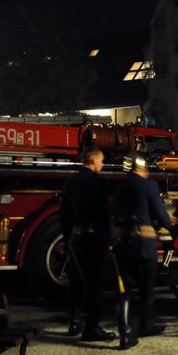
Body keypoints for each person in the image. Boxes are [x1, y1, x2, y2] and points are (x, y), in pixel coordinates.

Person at [110, 153, 176, 349]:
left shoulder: (120, 189)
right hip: (144, 245)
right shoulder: (149, 186)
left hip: (124, 244)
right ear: (141, 168)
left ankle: (125, 333)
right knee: (147, 289)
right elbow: (159, 213)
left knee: (126, 290)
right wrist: (172, 226)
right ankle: (147, 324)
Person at [59, 146, 115, 341]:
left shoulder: (69, 183)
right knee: (94, 283)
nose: (102, 164)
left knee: (75, 281)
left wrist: (66, 237)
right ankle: (92, 327)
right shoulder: (98, 183)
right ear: (93, 161)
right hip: (94, 238)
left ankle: (74, 322)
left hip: (76, 237)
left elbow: (64, 214)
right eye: (101, 161)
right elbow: (104, 213)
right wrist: (110, 239)